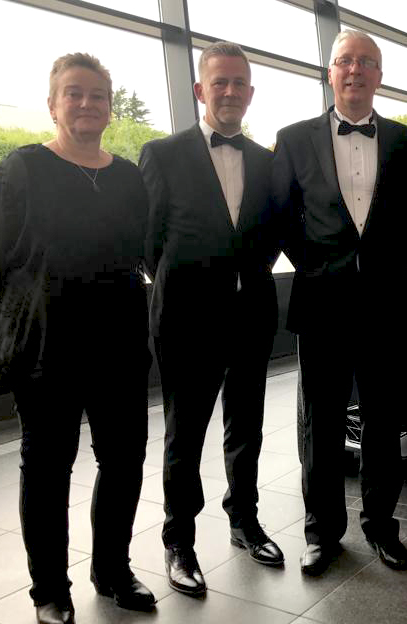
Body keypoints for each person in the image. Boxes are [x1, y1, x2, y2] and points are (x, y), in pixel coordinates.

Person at [0, 53, 155, 624]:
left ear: (109, 106)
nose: (87, 104)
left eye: (97, 95)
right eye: (74, 93)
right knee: (47, 469)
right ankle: (49, 589)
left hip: (118, 343)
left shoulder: (126, 176)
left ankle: (113, 572)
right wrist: (26, 298)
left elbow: (140, 250)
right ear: (53, 104)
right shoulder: (20, 169)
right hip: (48, 346)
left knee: (123, 462)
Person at [271, 30, 407, 577]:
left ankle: (382, 528)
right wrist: (318, 265)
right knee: (321, 421)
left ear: (379, 75)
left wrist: (379, 265)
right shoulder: (291, 139)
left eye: (367, 62)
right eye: (345, 61)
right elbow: (284, 217)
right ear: (331, 71)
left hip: (387, 301)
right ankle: (322, 534)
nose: (355, 70)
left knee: (385, 421)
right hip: (322, 302)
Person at [139, 41, 284, 597]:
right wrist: (194, 284)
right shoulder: (162, 153)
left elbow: (268, 239)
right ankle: (179, 541)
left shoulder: (267, 161)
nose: (229, 92)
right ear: (200, 90)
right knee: (186, 433)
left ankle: (244, 522)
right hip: (185, 318)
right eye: (219, 82)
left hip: (250, 313)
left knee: (245, 426)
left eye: (239, 83)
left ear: (250, 93)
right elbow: (149, 244)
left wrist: (238, 280)